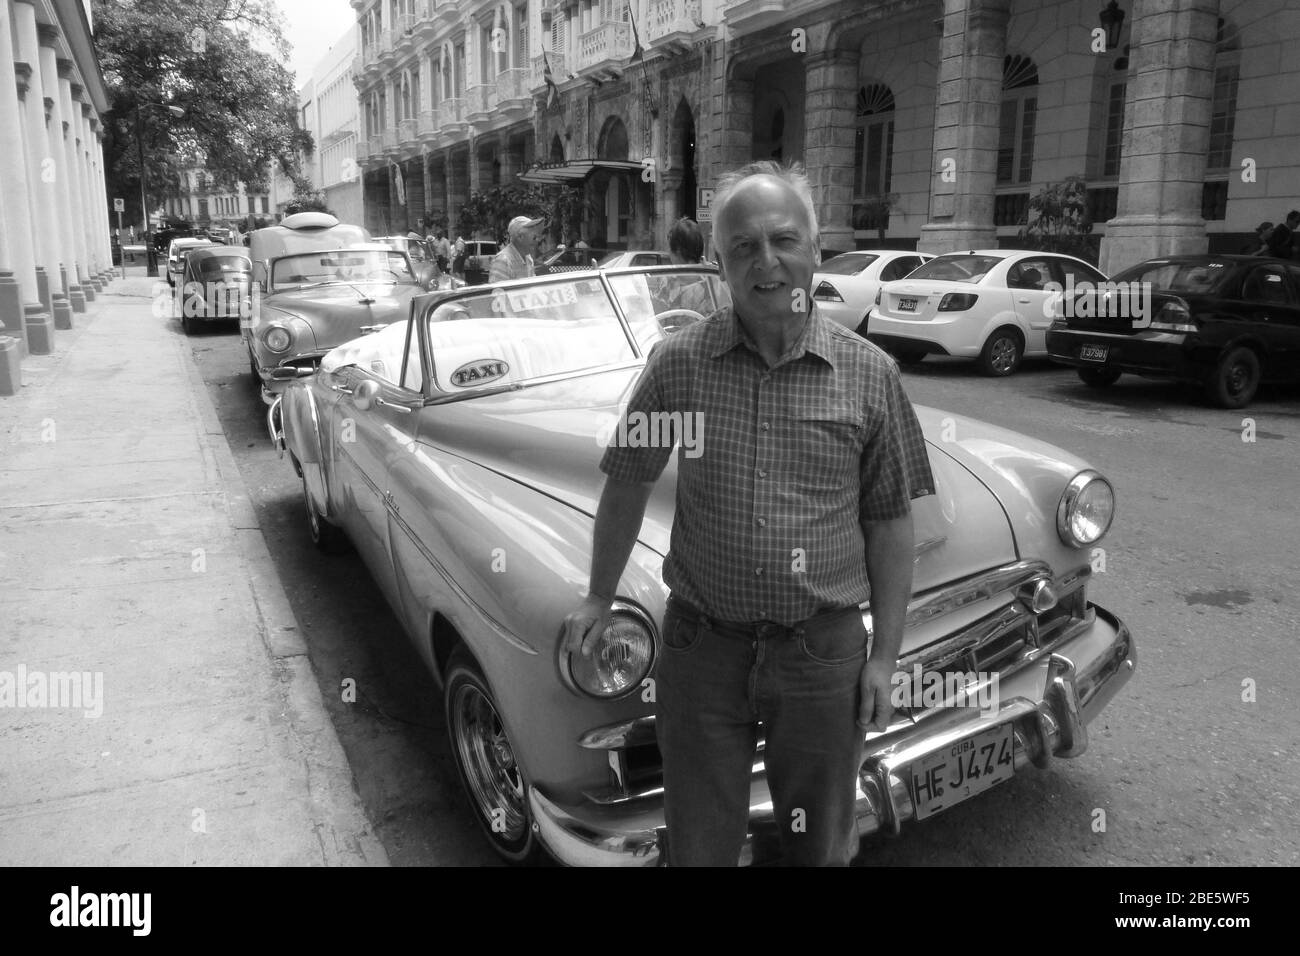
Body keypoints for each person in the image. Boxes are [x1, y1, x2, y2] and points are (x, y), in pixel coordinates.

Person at [560, 161, 935, 867]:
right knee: (700, 842)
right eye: (743, 247)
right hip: (704, 653)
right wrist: (598, 595)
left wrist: (885, 655)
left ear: (815, 250)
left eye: (784, 240)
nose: (767, 262)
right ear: (718, 263)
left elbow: (890, 523)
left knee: (816, 841)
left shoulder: (870, 374)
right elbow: (627, 481)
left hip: (822, 657)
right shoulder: (680, 364)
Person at [665, 217, 722, 318]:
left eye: (669, 248)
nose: (668, 252)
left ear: (677, 251)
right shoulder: (715, 280)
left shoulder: (668, 282)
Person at [489, 216, 544, 282]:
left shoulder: (528, 259)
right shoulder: (502, 260)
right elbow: (498, 291)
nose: (537, 240)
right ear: (520, 237)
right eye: (534, 237)